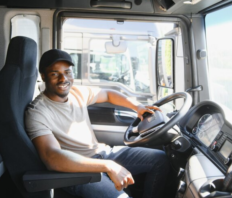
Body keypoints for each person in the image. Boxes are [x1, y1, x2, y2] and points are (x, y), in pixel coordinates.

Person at [25, 49, 170, 198]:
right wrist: (108, 166)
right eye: (55, 74)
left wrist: (137, 107)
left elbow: (107, 94)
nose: (63, 79)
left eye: (67, 72)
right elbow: (52, 158)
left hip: (103, 153)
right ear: (43, 77)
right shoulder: (37, 112)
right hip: (78, 171)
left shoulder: (76, 93)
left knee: (160, 159)